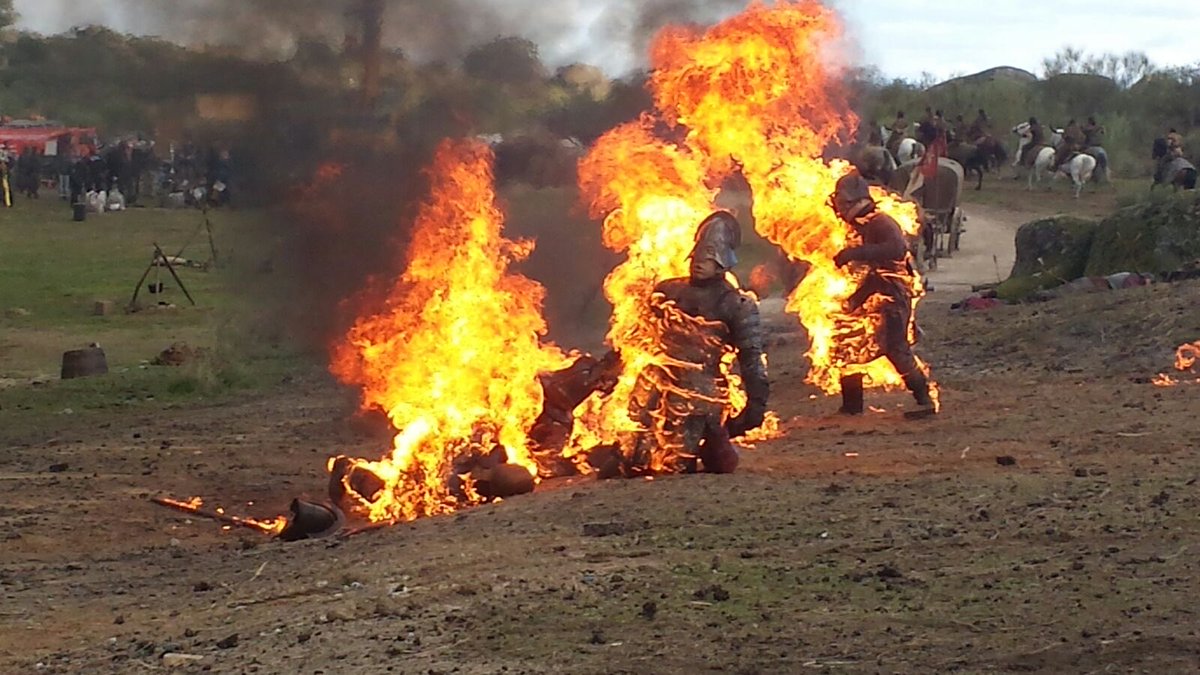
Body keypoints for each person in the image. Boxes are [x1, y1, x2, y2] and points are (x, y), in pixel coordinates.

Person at [625, 210, 770, 474]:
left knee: (675, 464)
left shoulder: (736, 304)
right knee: (630, 460)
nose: (698, 263)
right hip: (655, 383)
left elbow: (751, 359)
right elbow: (640, 337)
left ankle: (706, 448)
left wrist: (755, 407)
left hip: (700, 392)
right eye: (696, 257)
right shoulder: (667, 292)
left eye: (708, 258)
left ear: (723, 263)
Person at [830, 171, 935, 415]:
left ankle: (924, 399)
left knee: (896, 349)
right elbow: (876, 275)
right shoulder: (866, 225)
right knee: (846, 338)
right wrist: (854, 300)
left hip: (895, 296)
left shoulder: (881, 222)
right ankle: (852, 405)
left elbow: (895, 249)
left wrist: (853, 254)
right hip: (879, 292)